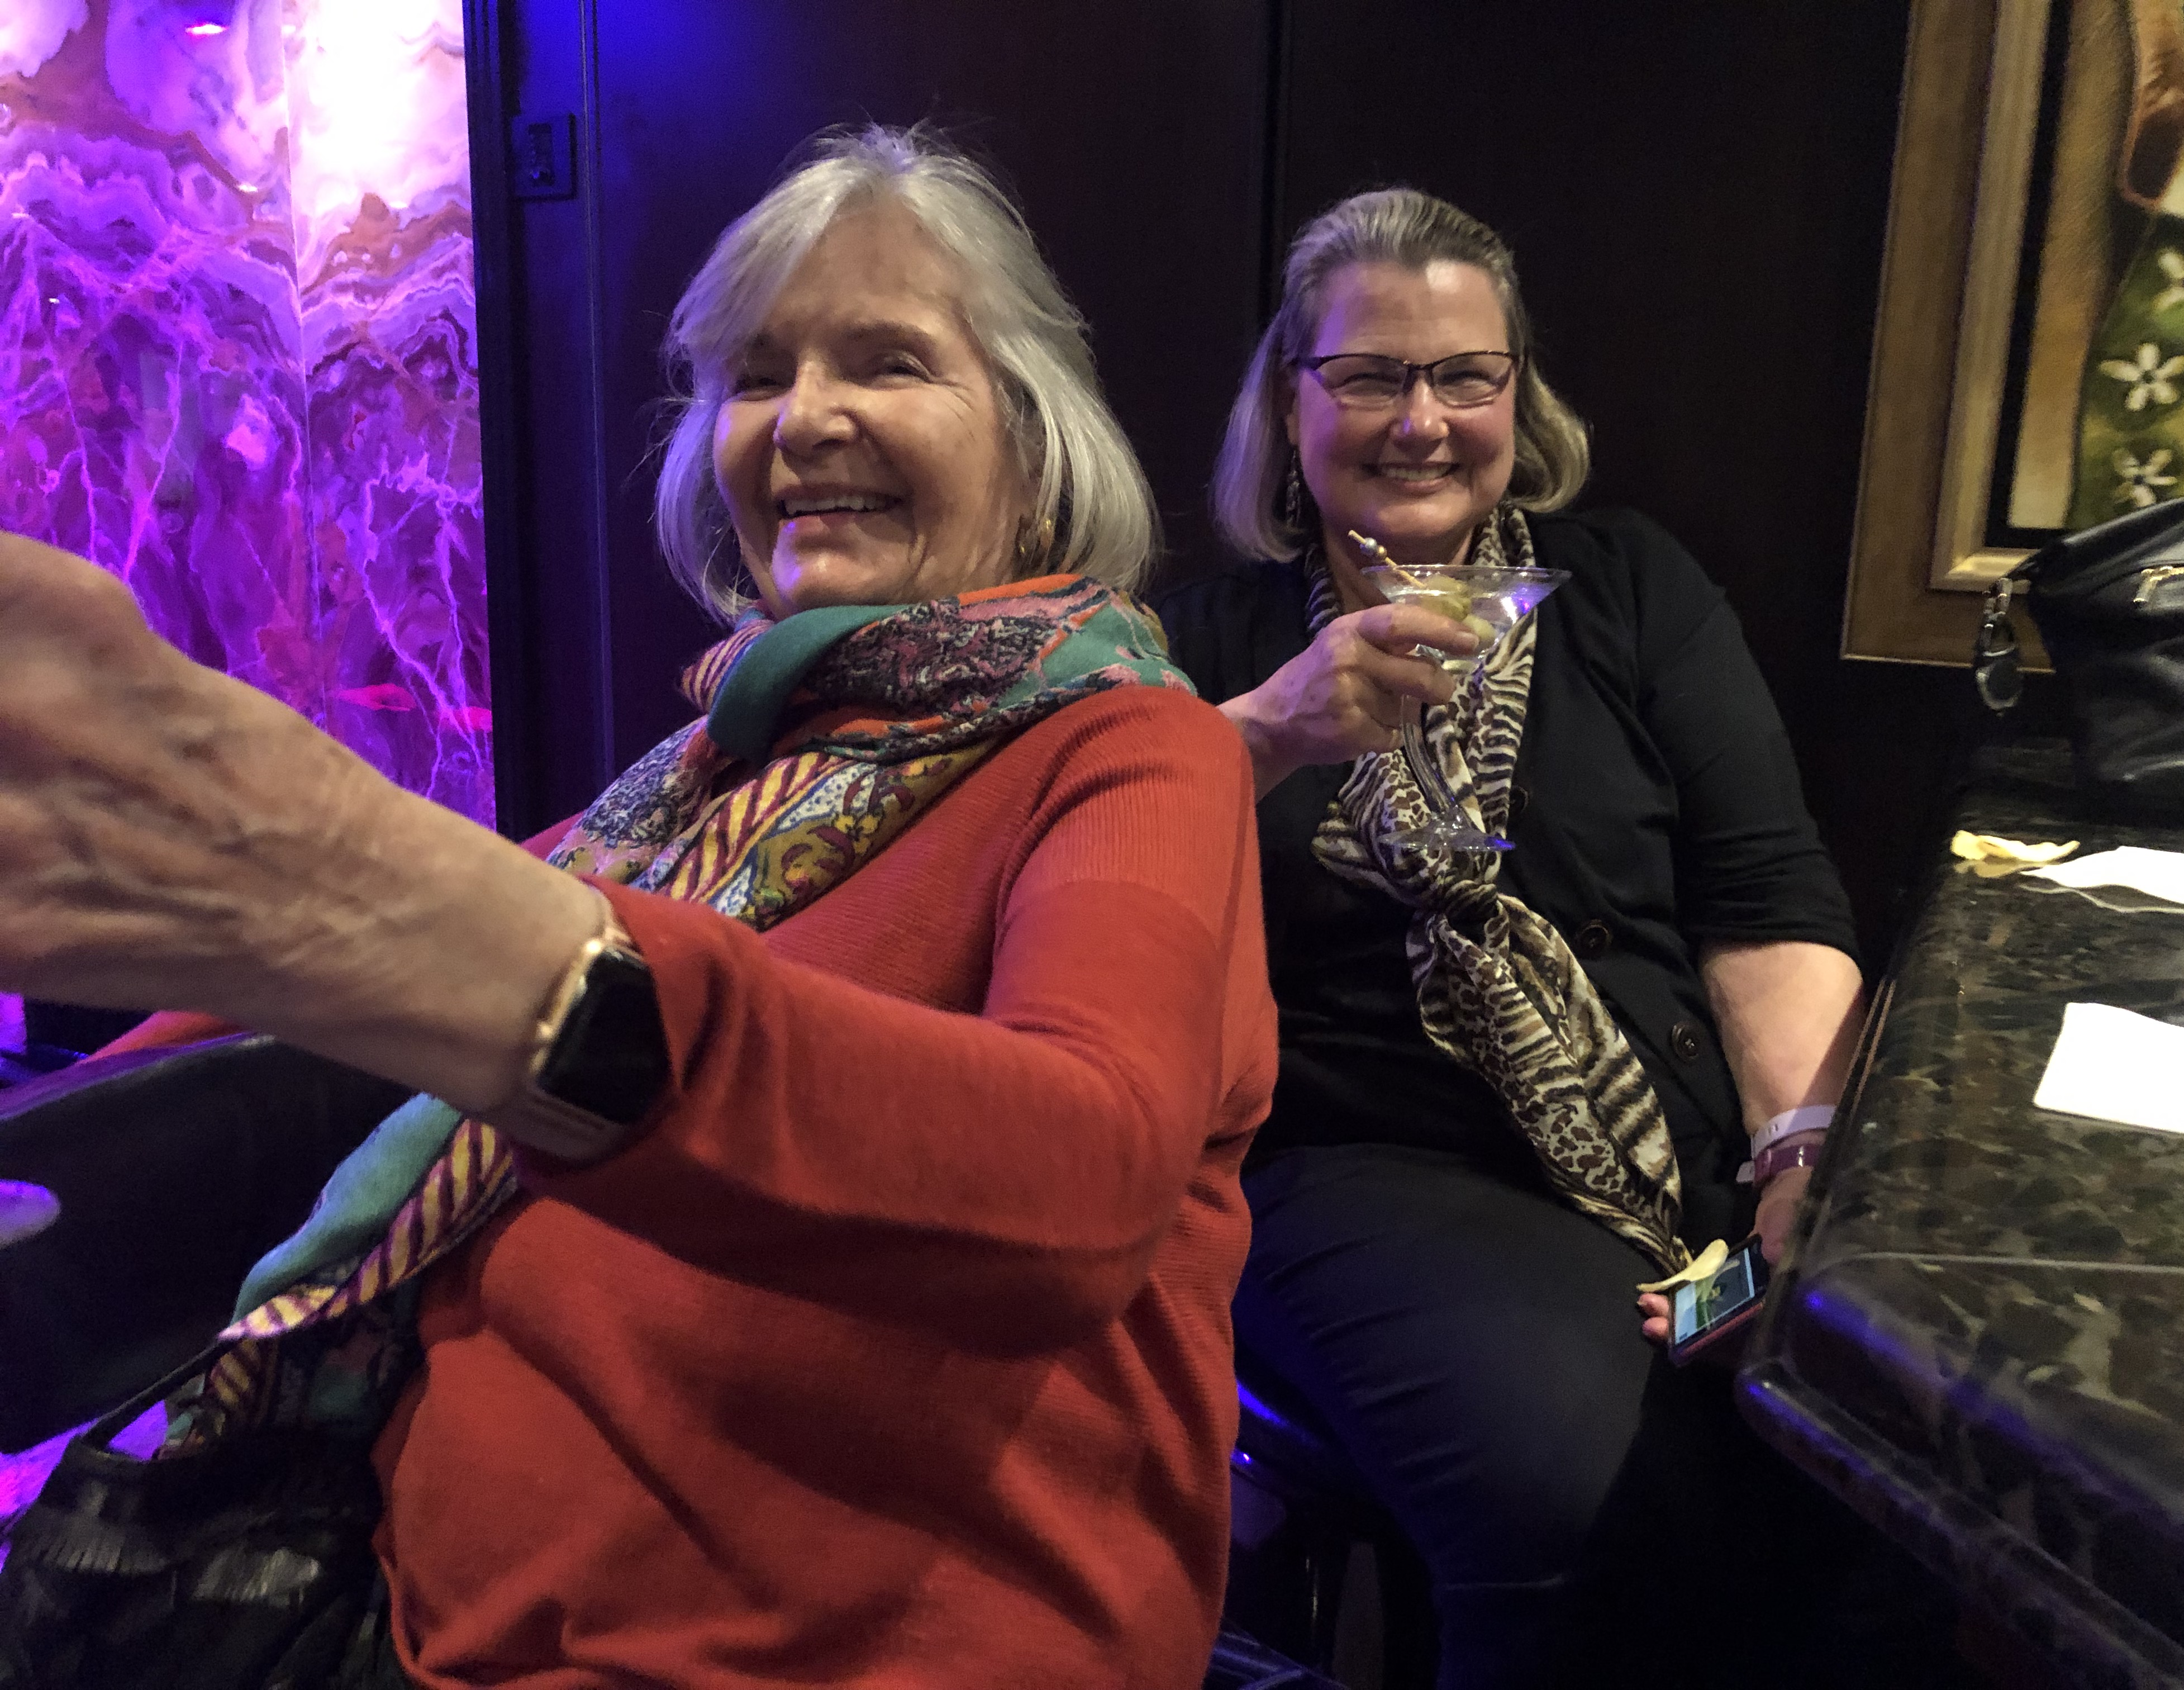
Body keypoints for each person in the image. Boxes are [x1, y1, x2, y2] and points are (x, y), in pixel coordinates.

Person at [0, 127, 1274, 1689]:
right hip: (409, 1608)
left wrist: (410, 909)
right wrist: (63, 1113)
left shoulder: (1133, 751)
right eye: (758, 374)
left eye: (888, 360)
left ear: (1034, 441)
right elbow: (312, 995)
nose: (805, 418)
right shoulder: (703, 774)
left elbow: (1084, 1176)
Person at [1161, 188, 1958, 1687]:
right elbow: (1103, 894)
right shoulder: (1199, 649)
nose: (1424, 421)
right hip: (1360, 1156)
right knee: (1581, 1490)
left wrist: (1803, 1164)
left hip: (1672, 1136)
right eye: (1371, 375)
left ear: (1516, 397)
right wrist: (1267, 732)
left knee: (1877, 1457)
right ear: (1289, 400)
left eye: (1467, 375)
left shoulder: (1631, 589)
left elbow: (1766, 900)